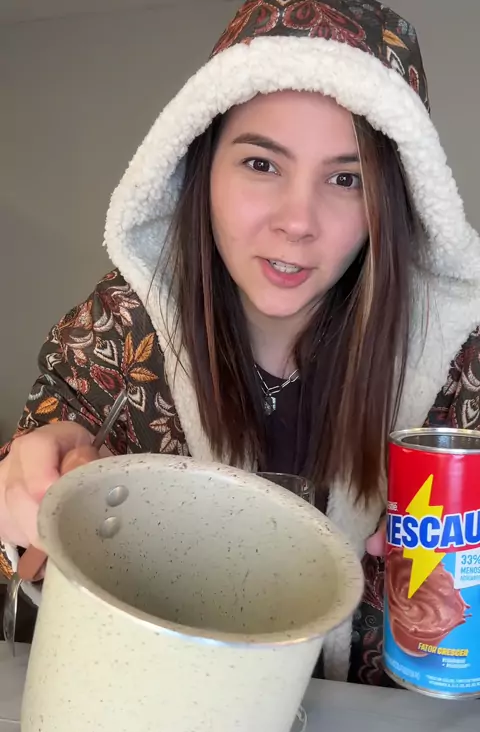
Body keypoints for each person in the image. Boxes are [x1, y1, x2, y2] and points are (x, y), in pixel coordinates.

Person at [1, 0, 479, 682]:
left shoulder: (461, 369)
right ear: (199, 168)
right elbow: (23, 592)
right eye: (262, 164)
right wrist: (25, 504)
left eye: (347, 179)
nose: (297, 221)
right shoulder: (110, 338)